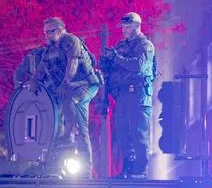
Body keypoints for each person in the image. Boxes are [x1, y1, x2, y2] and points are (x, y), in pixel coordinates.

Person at [14, 17, 102, 173]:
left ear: (61, 29)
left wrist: (65, 82)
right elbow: (41, 68)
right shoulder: (50, 49)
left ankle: (85, 166)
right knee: (62, 116)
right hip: (68, 89)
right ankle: (64, 146)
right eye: (45, 32)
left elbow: (72, 64)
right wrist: (33, 82)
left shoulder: (71, 41)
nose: (48, 35)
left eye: (51, 31)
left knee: (77, 118)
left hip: (85, 84)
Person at [101, 12, 155, 177]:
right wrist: (105, 60)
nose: (124, 29)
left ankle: (140, 170)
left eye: (128, 26)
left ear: (137, 26)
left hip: (138, 95)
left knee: (138, 133)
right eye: (123, 26)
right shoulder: (121, 46)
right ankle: (128, 168)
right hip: (122, 95)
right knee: (122, 133)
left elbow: (138, 66)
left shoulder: (145, 45)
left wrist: (116, 58)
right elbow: (110, 68)